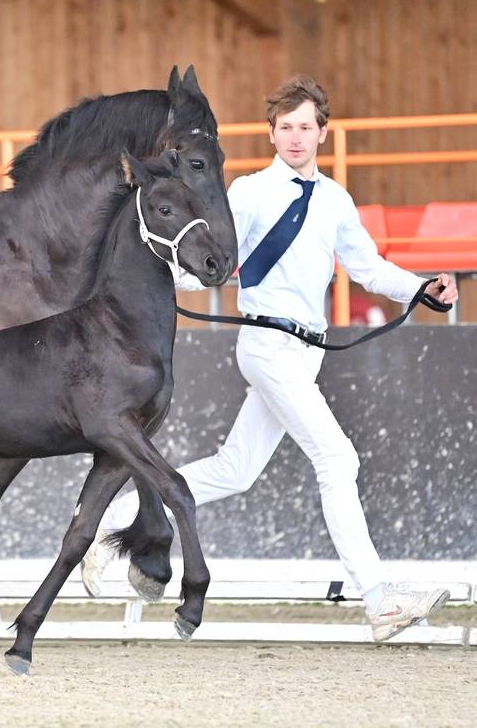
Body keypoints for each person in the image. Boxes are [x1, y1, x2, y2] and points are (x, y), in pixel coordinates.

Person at [79, 75, 459, 642]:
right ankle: (378, 600)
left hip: (308, 354)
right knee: (338, 459)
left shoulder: (335, 199)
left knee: (236, 469)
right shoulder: (251, 193)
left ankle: (106, 525)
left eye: (306, 128)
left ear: (323, 133)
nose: (296, 138)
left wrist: (419, 288)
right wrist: (156, 279)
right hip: (266, 346)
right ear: (273, 134)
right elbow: (213, 261)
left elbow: (369, 267)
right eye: (286, 128)